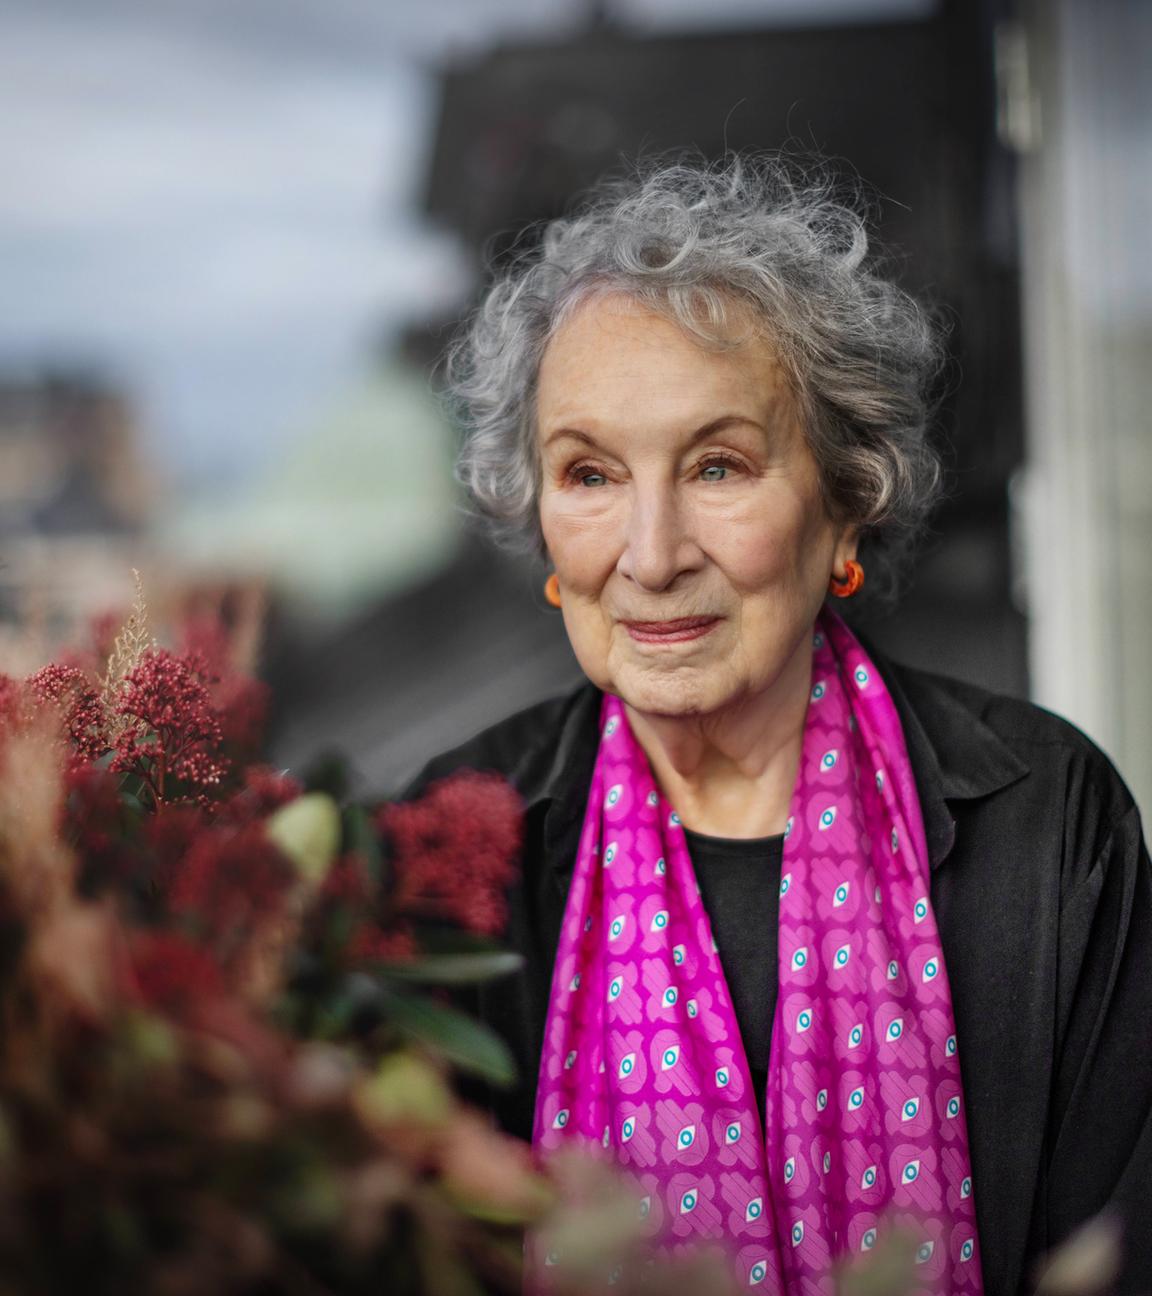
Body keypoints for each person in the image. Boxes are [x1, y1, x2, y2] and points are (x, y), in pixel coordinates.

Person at [403, 156, 1152, 1295]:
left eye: (718, 467)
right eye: (590, 474)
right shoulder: (459, 843)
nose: (651, 555)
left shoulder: (1047, 817)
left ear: (848, 499)